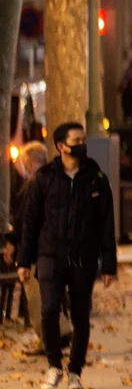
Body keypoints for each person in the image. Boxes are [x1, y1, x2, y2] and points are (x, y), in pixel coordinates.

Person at [16, 124, 117, 389]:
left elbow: (106, 222)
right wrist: (24, 261)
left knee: (80, 314)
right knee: (49, 310)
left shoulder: (95, 177)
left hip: (83, 257)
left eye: (83, 139)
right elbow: (32, 221)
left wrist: (108, 265)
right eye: (76, 140)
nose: (82, 144)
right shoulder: (45, 178)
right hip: (50, 256)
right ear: (61, 146)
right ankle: (54, 366)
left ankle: (75, 370)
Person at [4, 142, 49, 347]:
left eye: (24, 160)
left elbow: (25, 219)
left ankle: (48, 339)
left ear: (32, 161)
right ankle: (60, 332)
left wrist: (13, 243)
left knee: (35, 297)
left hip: (34, 248)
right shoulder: (49, 181)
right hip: (46, 247)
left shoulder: (34, 184)